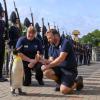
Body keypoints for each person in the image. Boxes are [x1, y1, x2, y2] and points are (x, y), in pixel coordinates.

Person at [41, 29, 83, 94]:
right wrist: (42, 60)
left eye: (50, 38)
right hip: (59, 69)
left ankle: (77, 81)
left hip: (69, 70)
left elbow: (61, 59)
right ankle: (61, 83)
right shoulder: (51, 47)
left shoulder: (65, 42)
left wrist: (48, 66)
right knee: (46, 72)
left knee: (64, 90)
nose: (48, 40)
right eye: (48, 38)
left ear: (56, 36)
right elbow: (51, 60)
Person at [0, 2, 8, 82]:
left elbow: (4, 32)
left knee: (1, 59)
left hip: (2, 42)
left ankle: (0, 75)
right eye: (2, 12)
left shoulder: (2, 22)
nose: (3, 13)